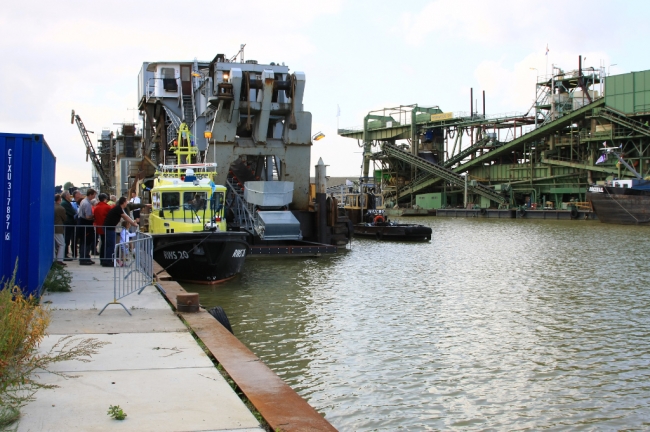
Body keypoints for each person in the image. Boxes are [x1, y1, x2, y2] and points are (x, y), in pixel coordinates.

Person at [101, 197, 138, 267]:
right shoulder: (118, 209)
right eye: (126, 201)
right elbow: (125, 217)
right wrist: (133, 224)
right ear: (123, 202)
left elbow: (126, 216)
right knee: (111, 245)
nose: (127, 203)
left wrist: (133, 222)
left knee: (111, 245)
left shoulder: (120, 209)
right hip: (109, 228)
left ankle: (108, 260)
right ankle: (108, 261)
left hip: (110, 228)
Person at [77, 189, 97, 265]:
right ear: (91, 195)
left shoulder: (83, 201)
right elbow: (88, 216)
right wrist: (94, 216)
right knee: (86, 242)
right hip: (86, 223)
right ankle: (84, 258)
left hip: (82, 223)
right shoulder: (87, 203)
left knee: (84, 241)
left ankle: (85, 257)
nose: (94, 197)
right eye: (94, 195)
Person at [93, 193, 113, 262]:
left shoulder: (96, 207)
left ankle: (102, 258)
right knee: (107, 244)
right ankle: (106, 259)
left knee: (102, 243)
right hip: (106, 227)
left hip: (99, 227)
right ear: (105, 199)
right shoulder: (107, 207)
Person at [60, 191, 76, 260]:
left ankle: (65, 253)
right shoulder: (65, 203)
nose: (70, 196)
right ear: (66, 196)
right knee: (66, 239)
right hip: (68, 223)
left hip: (68, 223)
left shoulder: (65, 203)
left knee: (67, 239)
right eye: (69, 195)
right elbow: (73, 211)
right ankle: (65, 254)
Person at [54, 194, 67, 266]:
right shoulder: (61, 208)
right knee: (62, 244)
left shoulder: (51, 207)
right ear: (59, 200)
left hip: (51, 228)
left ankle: (53, 259)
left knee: (53, 245)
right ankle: (59, 259)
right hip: (58, 228)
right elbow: (64, 218)